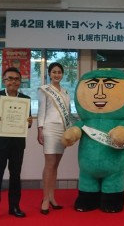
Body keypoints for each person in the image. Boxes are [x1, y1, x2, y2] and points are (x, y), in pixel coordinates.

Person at [37, 62, 71, 215]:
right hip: (49, 128)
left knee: (56, 164)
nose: (57, 74)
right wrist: (40, 130)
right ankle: (44, 198)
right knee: (49, 163)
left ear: (62, 74)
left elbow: (68, 114)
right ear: (49, 74)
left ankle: (52, 196)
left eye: (59, 72)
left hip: (62, 129)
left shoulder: (65, 92)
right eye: (54, 72)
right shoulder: (45, 90)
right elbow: (41, 111)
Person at [0, 67, 33, 218]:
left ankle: (14, 207)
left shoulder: (25, 99)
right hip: (0, 143)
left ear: (20, 82)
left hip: (17, 144)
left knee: (15, 175)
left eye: (16, 79)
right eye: (10, 78)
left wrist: (29, 121)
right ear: (4, 80)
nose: (13, 81)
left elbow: (28, 123)